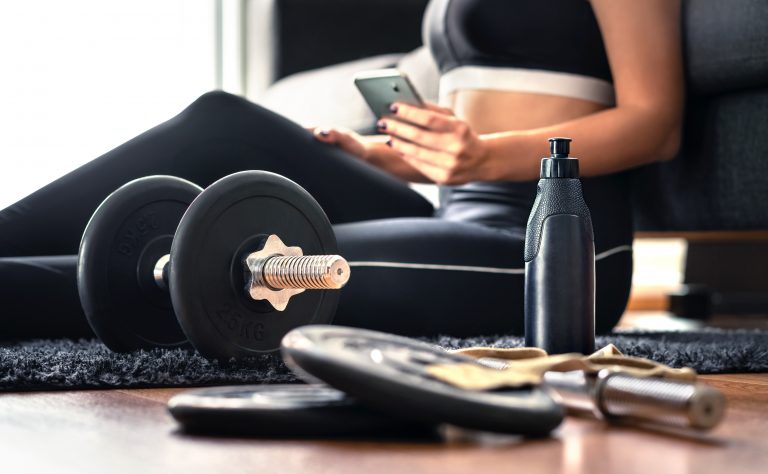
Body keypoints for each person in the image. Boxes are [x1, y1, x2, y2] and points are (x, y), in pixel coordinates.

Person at [0, 0, 682, 337]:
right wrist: (373, 153)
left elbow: (658, 124)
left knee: (228, 255)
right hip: (455, 206)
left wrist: (483, 155)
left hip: (549, 251)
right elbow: (465, 137)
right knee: (225, 122)